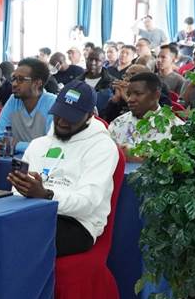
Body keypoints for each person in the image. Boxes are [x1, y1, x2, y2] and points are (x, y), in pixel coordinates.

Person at [9, 80, 118, 257]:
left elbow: (87, 204)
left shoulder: (102, 147)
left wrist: (46, 195)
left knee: (21, 239)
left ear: (90, 116)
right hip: (34, 212)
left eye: (71, 117)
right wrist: (23, 187)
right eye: (59, 114)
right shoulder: (39, 144)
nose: (62, 122)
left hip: (77, 223)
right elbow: (16, 191)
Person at [108, 73, 182, 161]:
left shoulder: (176, 128)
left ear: (156, 95)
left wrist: (136, 159)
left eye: (138, 94)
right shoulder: (118, 123)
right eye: (129, 94)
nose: (130, 99)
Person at [0, 59, 57, 155]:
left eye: (21, 80)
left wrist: (17, 145)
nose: (14, 84)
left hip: (41, 162)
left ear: (37, 83)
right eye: (14, 78)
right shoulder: (13, 100)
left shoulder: (52, 103)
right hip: (16, 161)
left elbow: (53, 147)